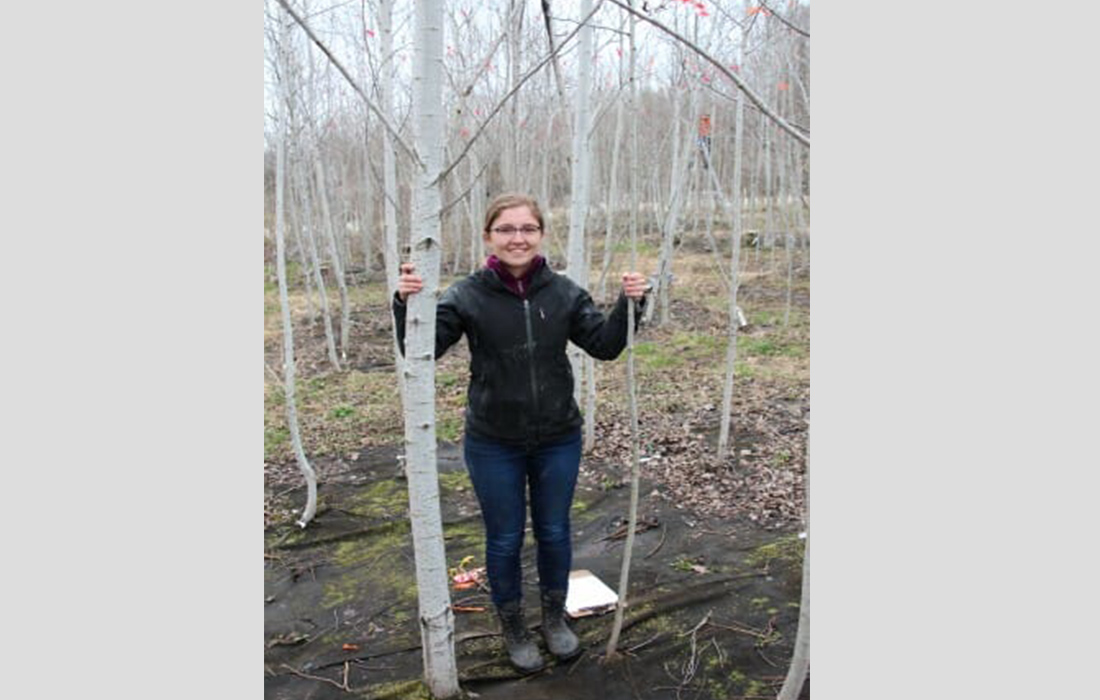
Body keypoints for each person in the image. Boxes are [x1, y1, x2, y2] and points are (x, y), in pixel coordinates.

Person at [392, 192, 649, 673]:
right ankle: (513, 627)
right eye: (506, 229)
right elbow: (421, 347)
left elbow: (605, 346)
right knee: (505, 537)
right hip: (493, 441)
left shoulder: (564, 292)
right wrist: (407, 304)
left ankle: (554, 619)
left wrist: (631, 305)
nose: (518, 238)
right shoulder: (467, 295)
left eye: (527, 228)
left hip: (558, 436)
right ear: (489, 236)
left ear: (540, 235)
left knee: (554, 531)